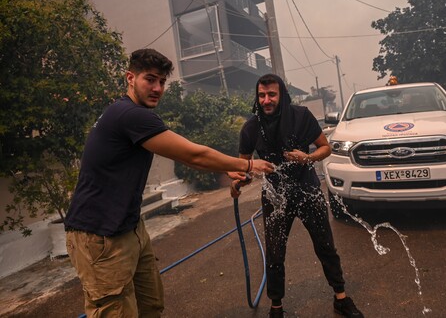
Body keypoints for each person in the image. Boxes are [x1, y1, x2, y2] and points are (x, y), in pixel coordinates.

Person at [64, 48, 274, 317]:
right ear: (130, 77)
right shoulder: (130, 115)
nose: (157, 88)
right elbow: (194, 154)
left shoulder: (132, 114)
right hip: (98, 234)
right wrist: (247, 164)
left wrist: (226, 170)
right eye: (149, 79)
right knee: (115, 311)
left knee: (150, 305)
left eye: (162, 82)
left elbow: (185, 156)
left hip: (129, 227)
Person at [228, 74, 364, 317]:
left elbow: (326, 147)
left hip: (307, 189)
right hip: (275, 196)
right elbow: (243, 168)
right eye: (261, 95)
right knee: (275, 252)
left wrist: (308, 157)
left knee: (325, 245)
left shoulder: (301, 116)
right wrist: (238, 183)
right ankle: (276, 307)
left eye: (271, 95)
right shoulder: (251, 127)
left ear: (282, 95)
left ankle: (341, 298)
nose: (266, 100)